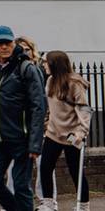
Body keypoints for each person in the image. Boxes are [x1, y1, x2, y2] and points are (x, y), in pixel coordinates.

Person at [0, 25, 47, 211]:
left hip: (21, 139)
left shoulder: (26, 68)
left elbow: (38, 106)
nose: (4, 46)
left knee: (21, 186)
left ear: (13, 42)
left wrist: (35, 143)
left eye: (8, 42)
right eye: (0, 43)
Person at [39, 50, 91, 211]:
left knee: (76, 171)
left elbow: (84, 110)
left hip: (72, 135)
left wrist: (81, 133)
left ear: (54, 64)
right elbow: (50, 107)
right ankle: (48, 204)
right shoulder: (50, 82)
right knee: (45, 167)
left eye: (46, 62)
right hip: (53, 133)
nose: (43, 65)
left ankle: (83, 206)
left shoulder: (75, 84)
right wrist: (47, 123)